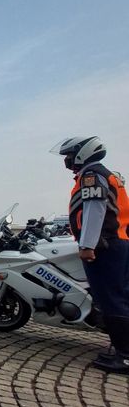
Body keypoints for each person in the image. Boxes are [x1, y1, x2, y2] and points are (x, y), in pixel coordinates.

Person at [52, 136, 129, 374]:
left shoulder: (92, 176)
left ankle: (125, 357)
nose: (66, 160)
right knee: (120, 295)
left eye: (69, 155)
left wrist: (87, 245)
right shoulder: (107, 174)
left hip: (105, 245)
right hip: (118, 242)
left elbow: (95, 212)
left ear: (82, 153)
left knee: (110, 298)